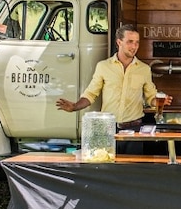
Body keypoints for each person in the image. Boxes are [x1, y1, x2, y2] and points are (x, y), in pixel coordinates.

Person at [56, 24, 172, 154]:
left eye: (137, 43)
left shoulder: (144, 69)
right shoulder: (103, 66)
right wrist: (75, 106)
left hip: (134, 129)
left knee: (132, 169)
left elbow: (151, 96)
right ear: (119, 42)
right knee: (107, 166)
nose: (134, 47)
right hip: (108, 128)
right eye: (130, 42)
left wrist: (158, 102)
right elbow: (91, 93)